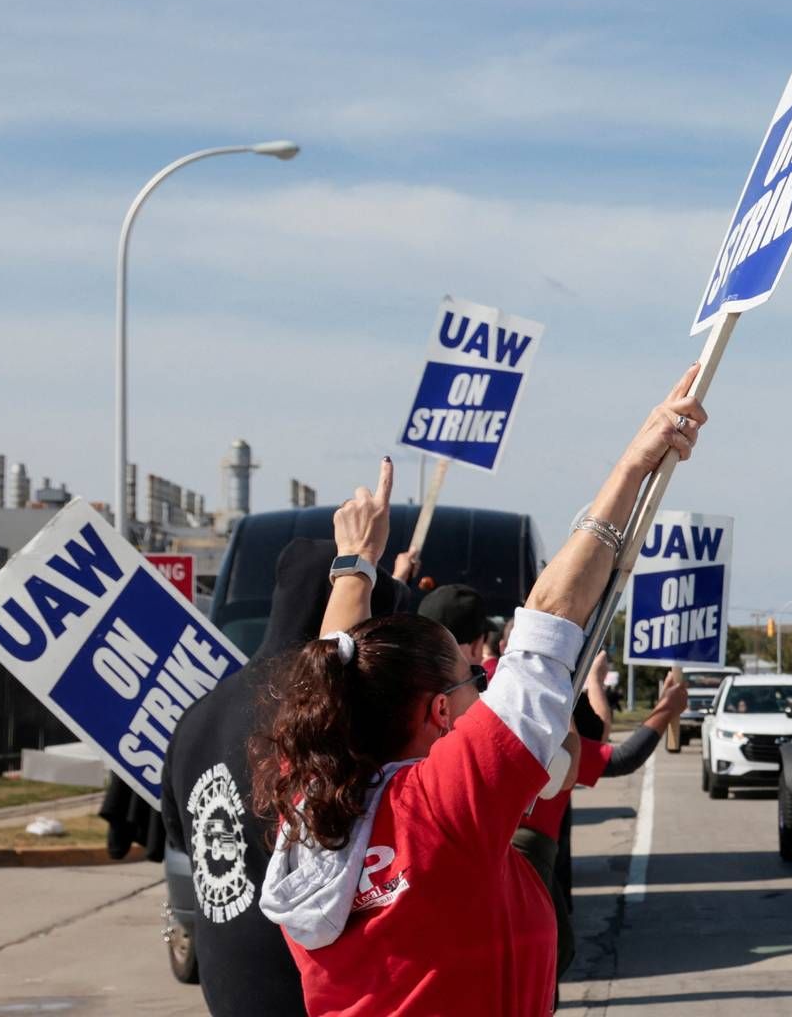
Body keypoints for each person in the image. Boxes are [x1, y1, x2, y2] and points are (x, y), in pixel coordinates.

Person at [252, 366, 706, 1014]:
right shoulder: (444, 806)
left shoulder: (312, 805)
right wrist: (634, 465)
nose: (482, 693)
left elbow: (337, 668)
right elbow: (550, 612)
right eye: (470, 684)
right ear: (439, 710)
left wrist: (357, 566)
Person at [160, 536, 410, 1016]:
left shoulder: (198, 714)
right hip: (310, 985)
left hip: (228, 982)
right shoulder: (316, 715)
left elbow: (179, 837)